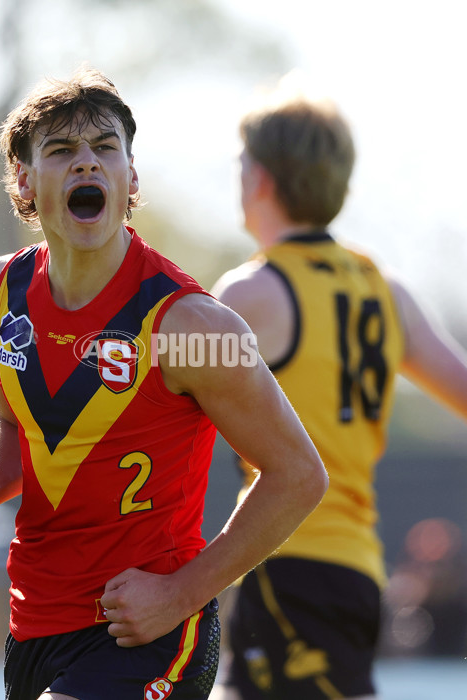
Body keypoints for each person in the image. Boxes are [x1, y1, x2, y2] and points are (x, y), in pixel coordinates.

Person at [0, 67, 327, 700]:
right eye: (61, 151)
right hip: (33, 629)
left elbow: (300, 475)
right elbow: (14, 427)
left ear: (130, 178)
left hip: (151, 636)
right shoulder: (2, 290)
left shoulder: (191, 324)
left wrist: (181, 593)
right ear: (26, 184)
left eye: (105, 148)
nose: (86, 163)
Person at [209, 74, 467, 700]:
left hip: (289, 564)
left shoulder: (249, 294)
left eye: (243, 163)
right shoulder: (387, 289)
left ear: (263, 179)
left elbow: (158, 405)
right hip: (355, 569)